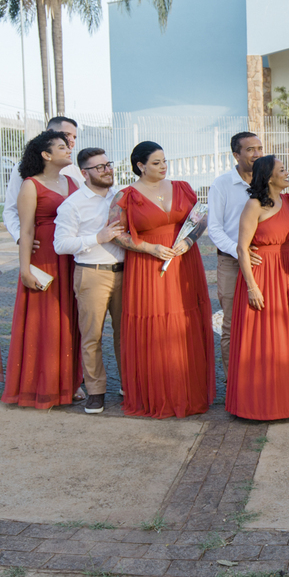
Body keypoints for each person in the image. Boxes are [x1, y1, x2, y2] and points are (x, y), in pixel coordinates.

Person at [110, 142, 216, 418]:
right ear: (140, 166)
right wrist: (149, 248)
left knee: (185, 324)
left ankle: (188, 393)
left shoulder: (182, 187)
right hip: (148, 268)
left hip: (184, 263)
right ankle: (156, 395)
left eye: (164, 161)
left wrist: (190, 241)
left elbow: (200, 218)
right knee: (155, 327)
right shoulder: (126, 195)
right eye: (156, 162)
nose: (163, 166)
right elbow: (116, 233)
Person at [2, 130, 83, 409]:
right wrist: (25, 269)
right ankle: (41, 385)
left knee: (70, 319)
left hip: (71, 256)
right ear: (46, 155)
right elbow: (25, 231)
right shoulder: (30, 185)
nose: (68, 149)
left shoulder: (73, 182)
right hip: (44, 257)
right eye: (62, 147)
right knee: (45, 321)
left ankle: (70, 383)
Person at [226, 155, 289, 420]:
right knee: (257, 341)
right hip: (260, 276)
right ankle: (254, 405)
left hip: (285, 279)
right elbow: (242, 247)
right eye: (282, 170)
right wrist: (251, 287)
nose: (287, 174)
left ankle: (283, 402)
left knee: (283, 341)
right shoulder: (254, 205)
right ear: (269, 177)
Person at [53, 148, 126, 415]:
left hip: (125, 272)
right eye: (100, 167)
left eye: (108, 164)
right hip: (92, 273)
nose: (107, 170)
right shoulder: (72, 204)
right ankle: (95, 392)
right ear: (84, 173)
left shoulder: (121, 196)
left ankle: (128, 386)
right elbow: (60, 244)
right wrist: (98, 237)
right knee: (92, 336)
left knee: (126, 334)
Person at [208, 132, 264, 370]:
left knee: (261, 321)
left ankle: (258, 378)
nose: (257, 153)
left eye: (259, 148)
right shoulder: (222, 184)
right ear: (236, 154)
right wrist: (238, 251)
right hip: (231, 263)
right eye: (250, 149)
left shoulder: (267, 179)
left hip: (262, 261)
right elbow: (214, 229)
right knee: (231, 324)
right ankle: (233, 383)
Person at [4, 116, 81, 244]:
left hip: (72, 245)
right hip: (43, 243)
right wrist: (21, 238)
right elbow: (11, 209)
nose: (71, 141)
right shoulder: (23, 170)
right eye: (67, 134)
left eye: (74, 137)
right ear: (50, 132)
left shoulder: (75, 172)